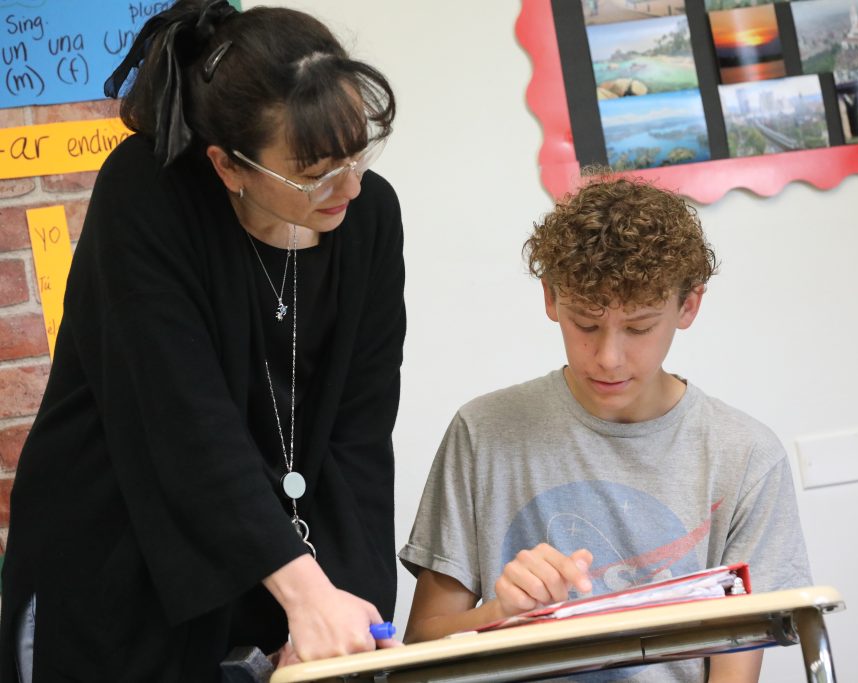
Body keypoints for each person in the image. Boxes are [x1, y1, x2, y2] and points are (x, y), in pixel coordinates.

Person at [0, 1, 405, 680]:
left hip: (273, 564)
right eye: (314, 173)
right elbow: (182, 424)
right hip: (118, 575)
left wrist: (346, 610)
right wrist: (305, 591)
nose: (351, 186)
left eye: (357, 154)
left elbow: (359, 439)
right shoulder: (148, 196)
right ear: (229, 166)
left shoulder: (370, 217)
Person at [399, 176, 811, 682]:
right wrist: (500, 614)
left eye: (639, 327)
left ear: (688, 306)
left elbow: (735, 666)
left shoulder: (744, 456)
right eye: (586, 325)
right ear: (551, 298)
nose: (610, 358)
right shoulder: (483, 433)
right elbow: (418, 652)